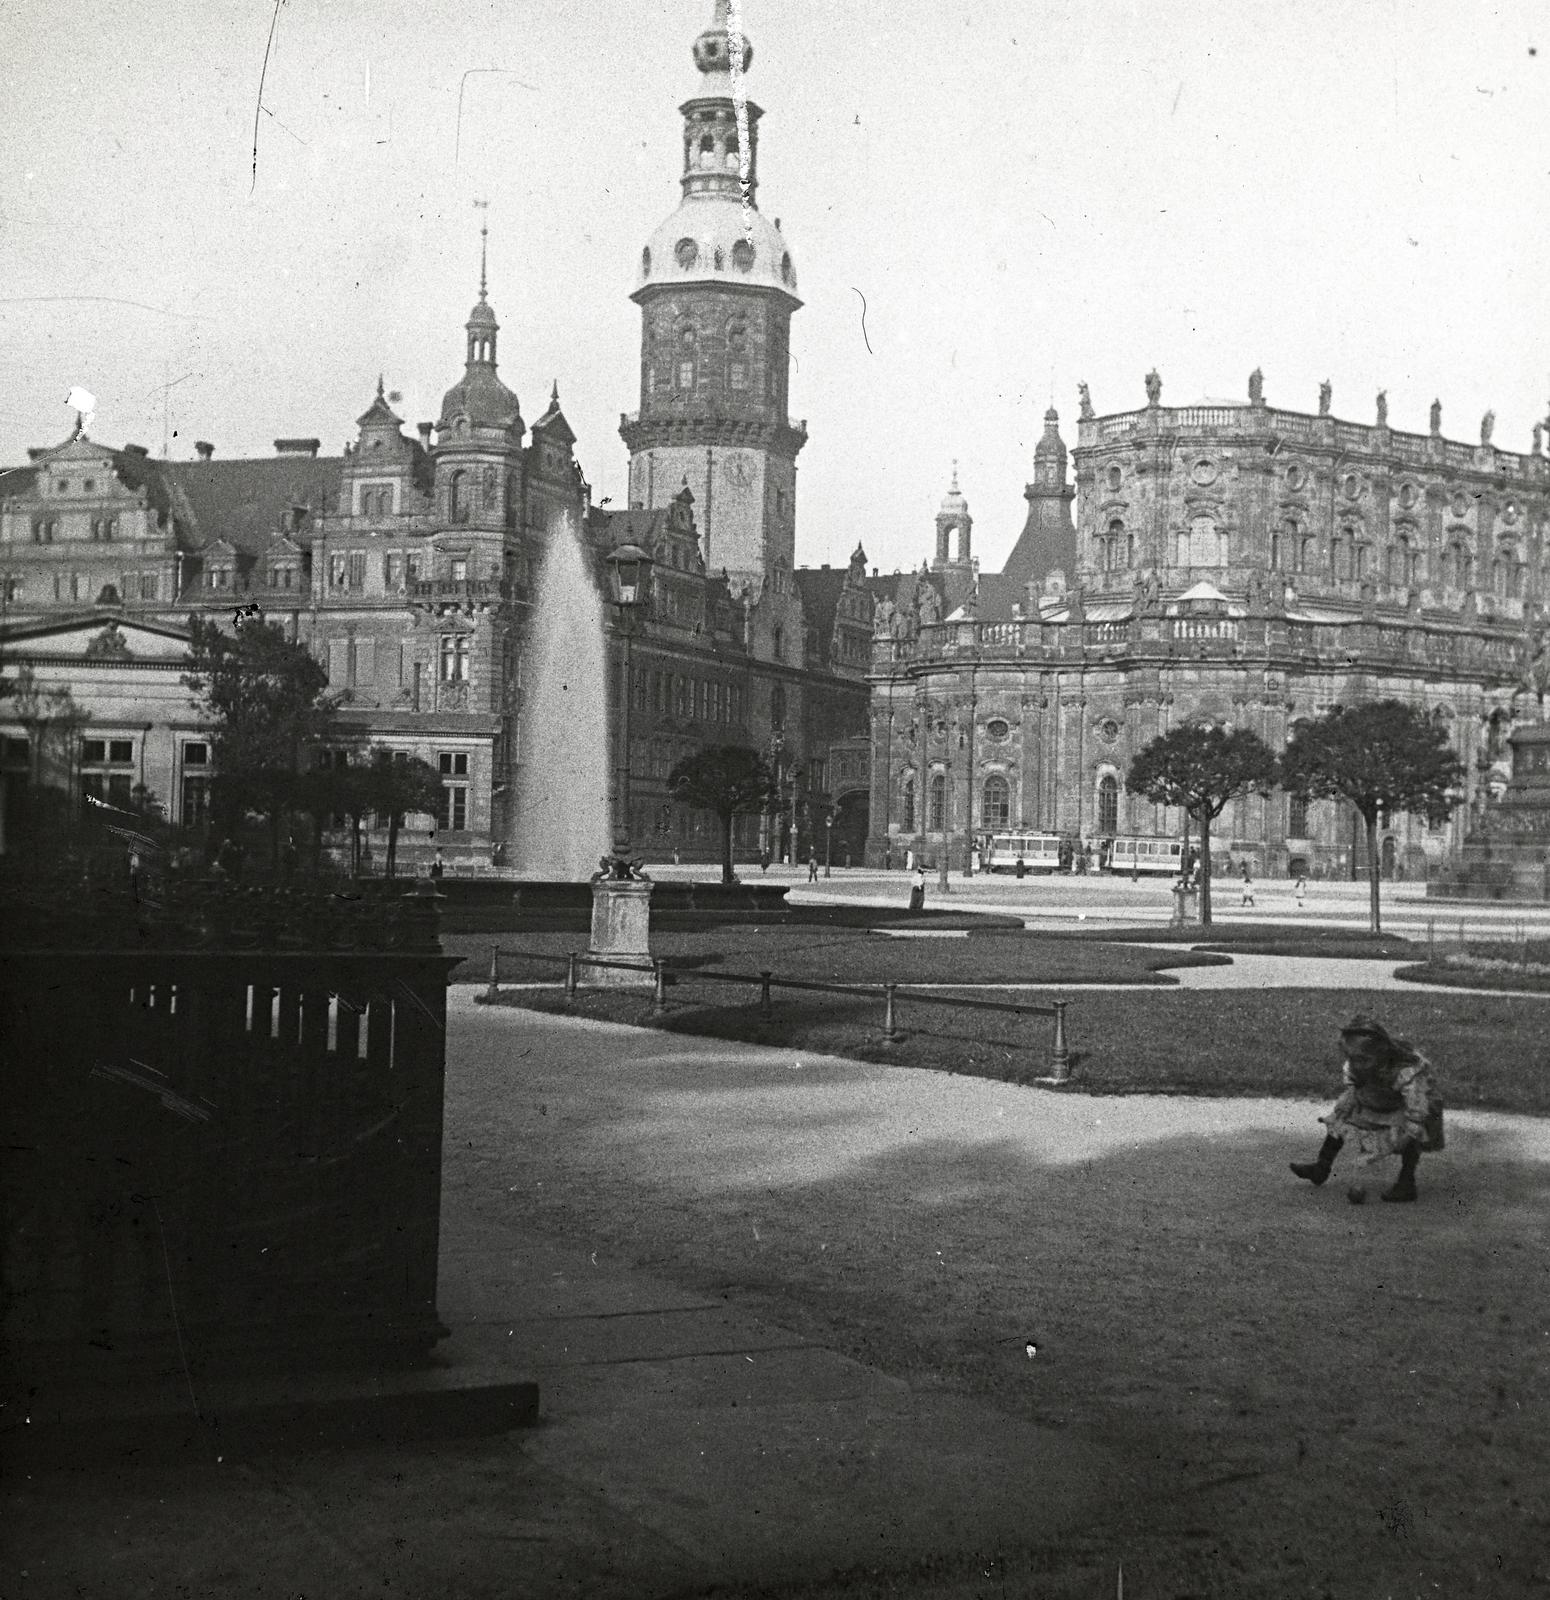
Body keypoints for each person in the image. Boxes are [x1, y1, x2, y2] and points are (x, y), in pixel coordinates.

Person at [1290, 1015, 1445, 1203]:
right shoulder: (1358, 1066)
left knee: (1410, 1135)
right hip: (1378, 1097)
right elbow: (1355, 1086)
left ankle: (1406, 1182)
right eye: (1351, 1058)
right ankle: (1321, 1167)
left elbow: (1416, 1108)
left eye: (1363, 1059)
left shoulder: (1406, 1072)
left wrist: (1409, 1132)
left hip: (1407, 1105)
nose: (1356, 1064)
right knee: (1340, 1118)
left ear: (1382, 1054)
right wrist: (1349, 1098)